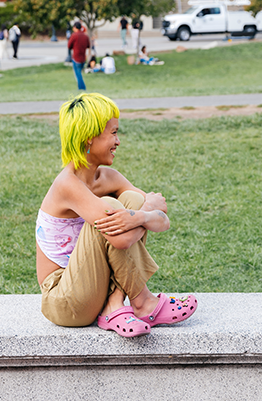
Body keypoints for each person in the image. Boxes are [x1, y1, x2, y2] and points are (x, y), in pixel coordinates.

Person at [36, 93, 198, 334]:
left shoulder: (110, 178)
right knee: (114, 209)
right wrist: (143, 213)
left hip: (95, 289)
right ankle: (142, 302)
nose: (118, 141)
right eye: (113, 133)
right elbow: (122, 238)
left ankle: (114, 304)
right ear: (89, 138)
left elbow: (163, 219)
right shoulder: (67, 184)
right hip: (65, 300)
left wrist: (139, 215)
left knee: (129, 202)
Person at [68, 21, 90, 90]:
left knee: (78, 74)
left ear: (75, 27)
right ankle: (80, 87)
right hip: (83, 58)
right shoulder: (85, 36)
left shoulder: (74, 35)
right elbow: (88, 45)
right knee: (79, 72)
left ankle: (82, 88)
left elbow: (69, 46)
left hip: (76, 57)